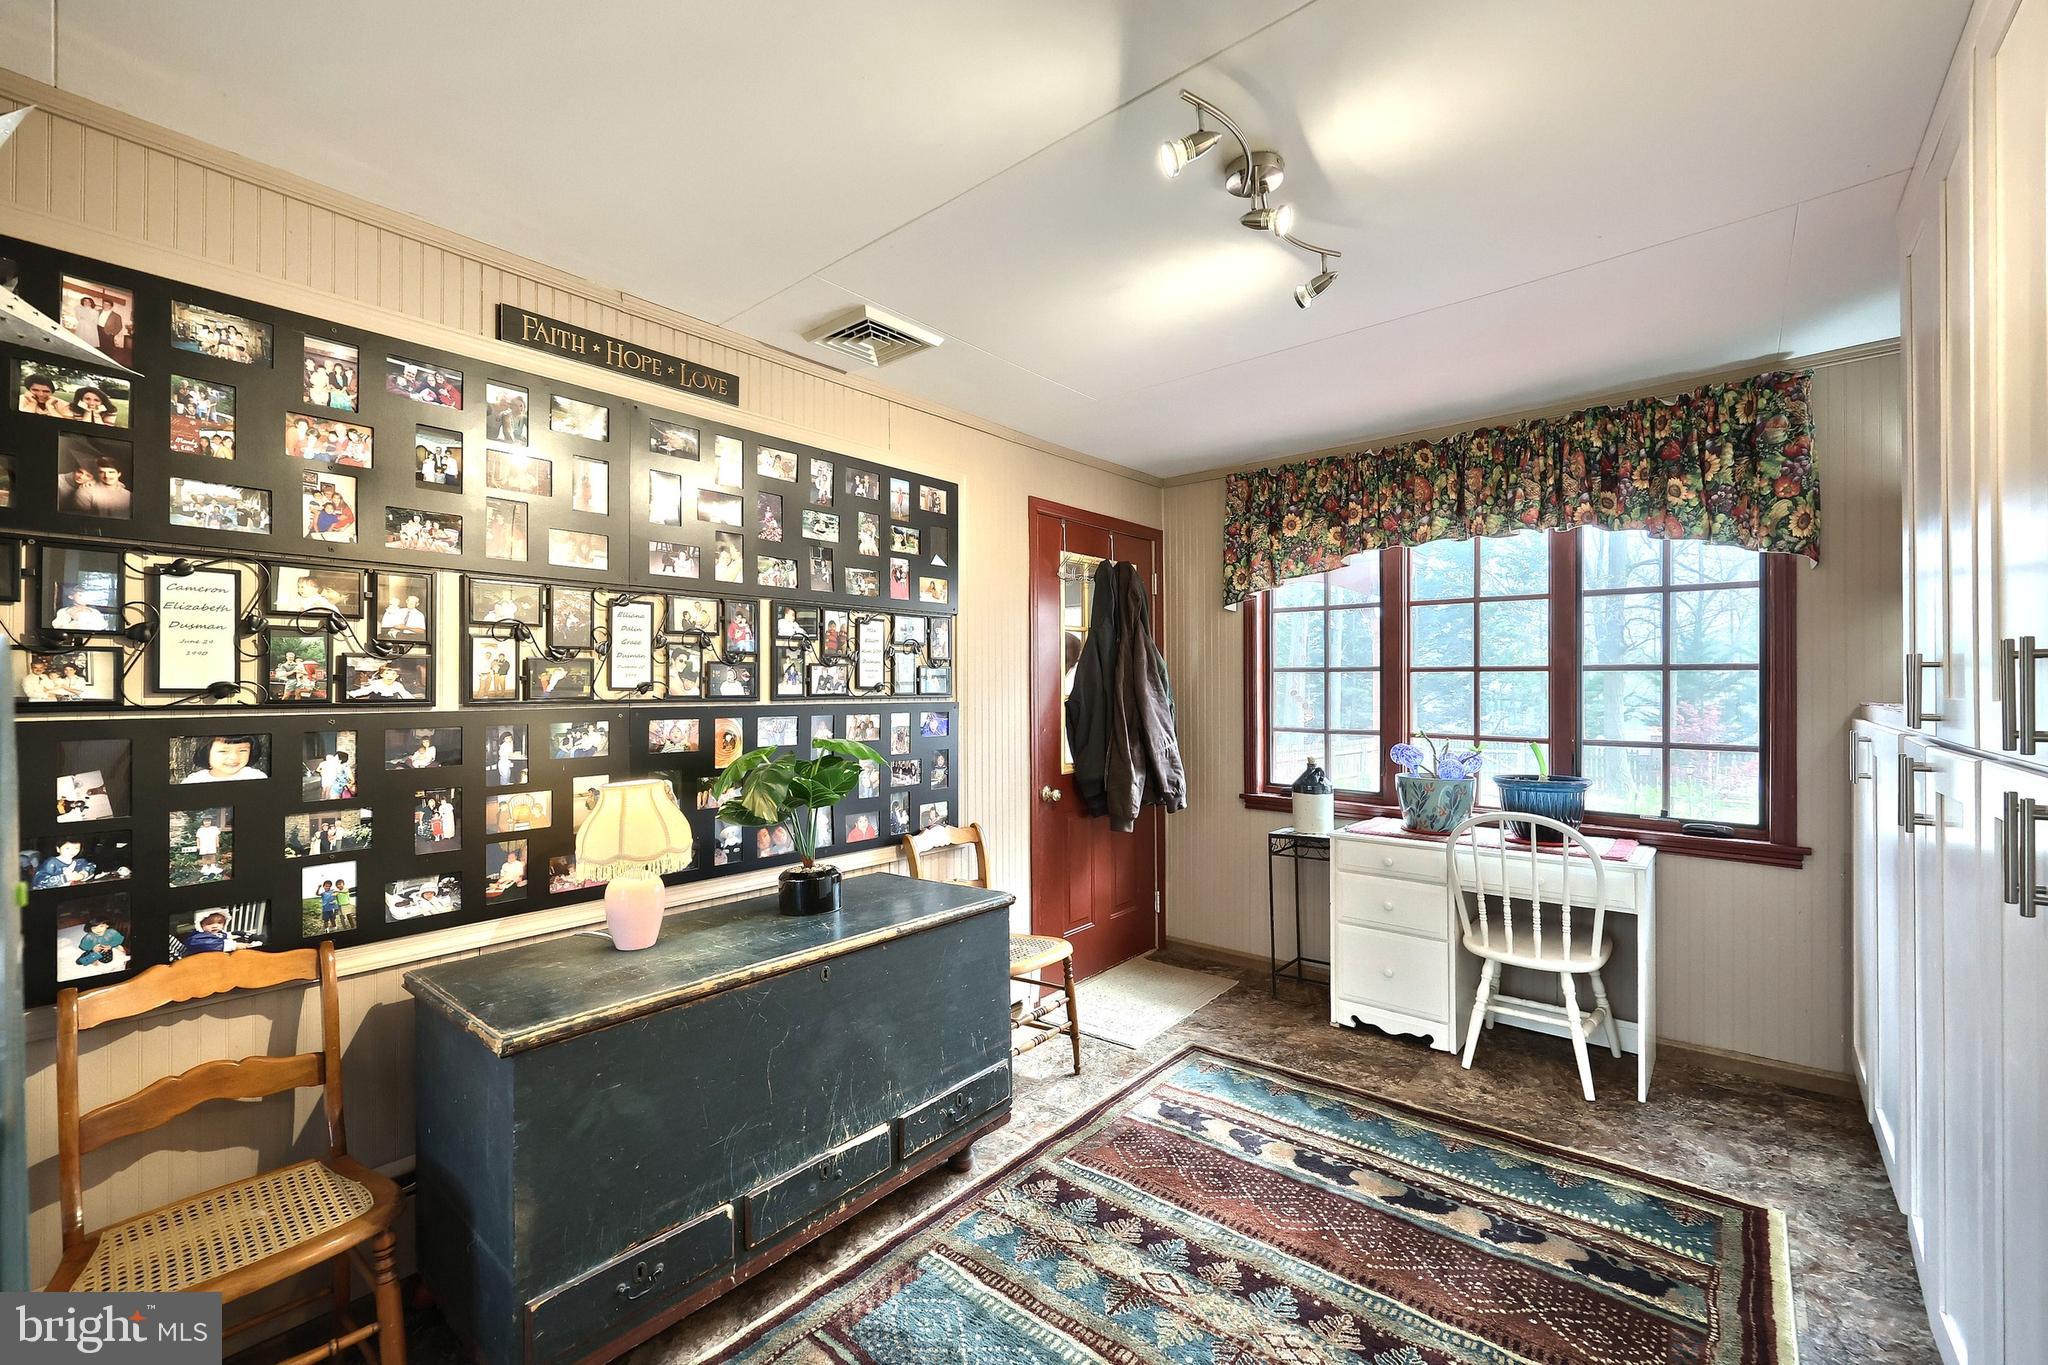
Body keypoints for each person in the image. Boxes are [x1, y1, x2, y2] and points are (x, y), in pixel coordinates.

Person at [183, 735, 265, 782]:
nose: (234, 757)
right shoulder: (195, 780)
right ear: (206, 751)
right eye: (223, 751)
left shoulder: (256, 777)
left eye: (242, 750)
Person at [32, 840, 96, 889]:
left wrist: (82, 875)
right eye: (67, 848)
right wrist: (66, 877)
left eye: (76, 848)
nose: (72, 851)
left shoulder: (80, 861)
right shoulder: (51, 863)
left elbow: (92, 866)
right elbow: (39, 880)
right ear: (58, 849)